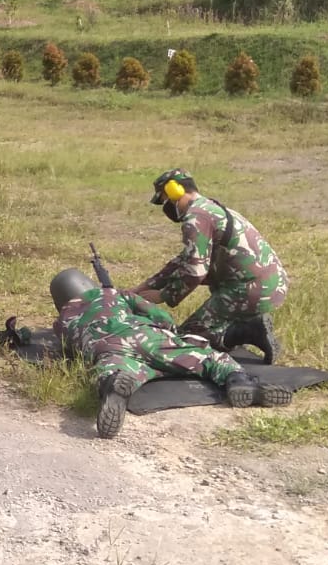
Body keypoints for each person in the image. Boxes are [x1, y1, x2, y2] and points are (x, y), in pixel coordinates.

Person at [51, 268, 291, 440]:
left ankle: (114, 386)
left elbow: (70, 348)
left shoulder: (61, 321)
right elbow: (159, 316)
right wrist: (171, 331)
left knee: (115, 369)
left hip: (108, 348)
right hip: (143, 335)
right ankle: (240, 382)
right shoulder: (113, 294)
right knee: (208, 358)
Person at [128, 169, 288, 364]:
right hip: (268, 283)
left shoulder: (196, 218)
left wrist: (163, 295)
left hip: (249, 290)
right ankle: (243, 325)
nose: (167, 207)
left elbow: (196, 272)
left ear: (175, 191)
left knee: (188, 340)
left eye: (166, 200)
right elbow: (184, 261)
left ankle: (247, 331)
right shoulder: (209, 208)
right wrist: (142, 288)